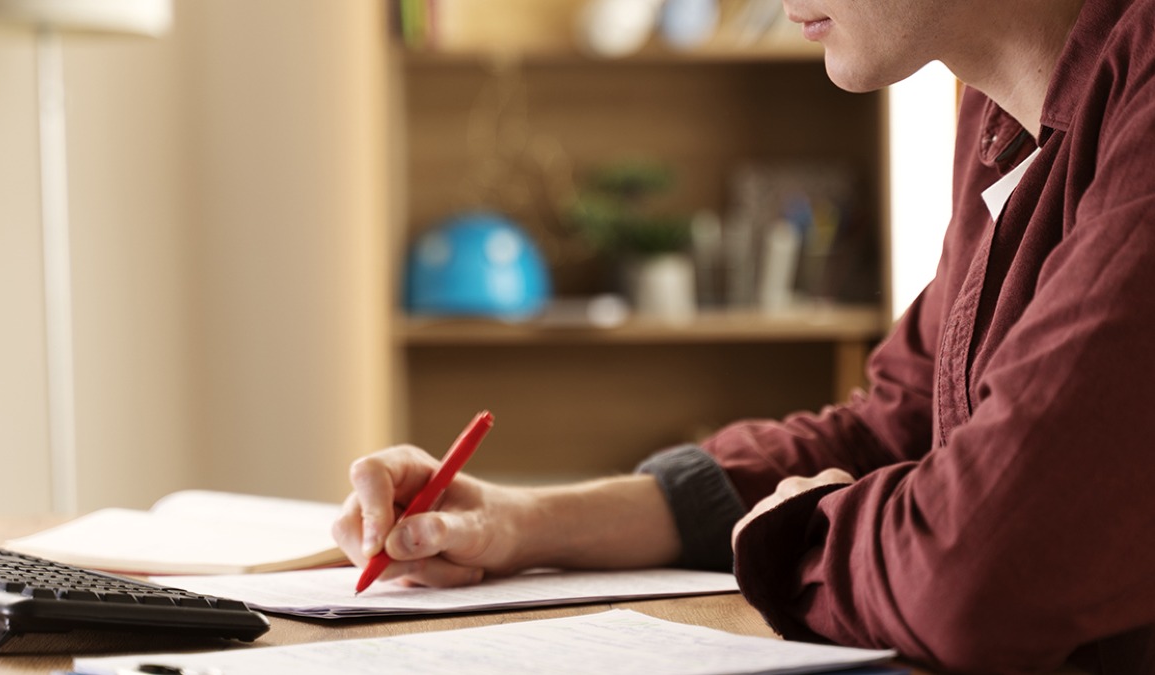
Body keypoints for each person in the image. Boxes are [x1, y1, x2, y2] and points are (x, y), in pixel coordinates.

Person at [333, 0, 1155, 671]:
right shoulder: (1006, 117)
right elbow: (901, 425)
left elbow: (980, 569)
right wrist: (521, 523)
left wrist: (802, 529)